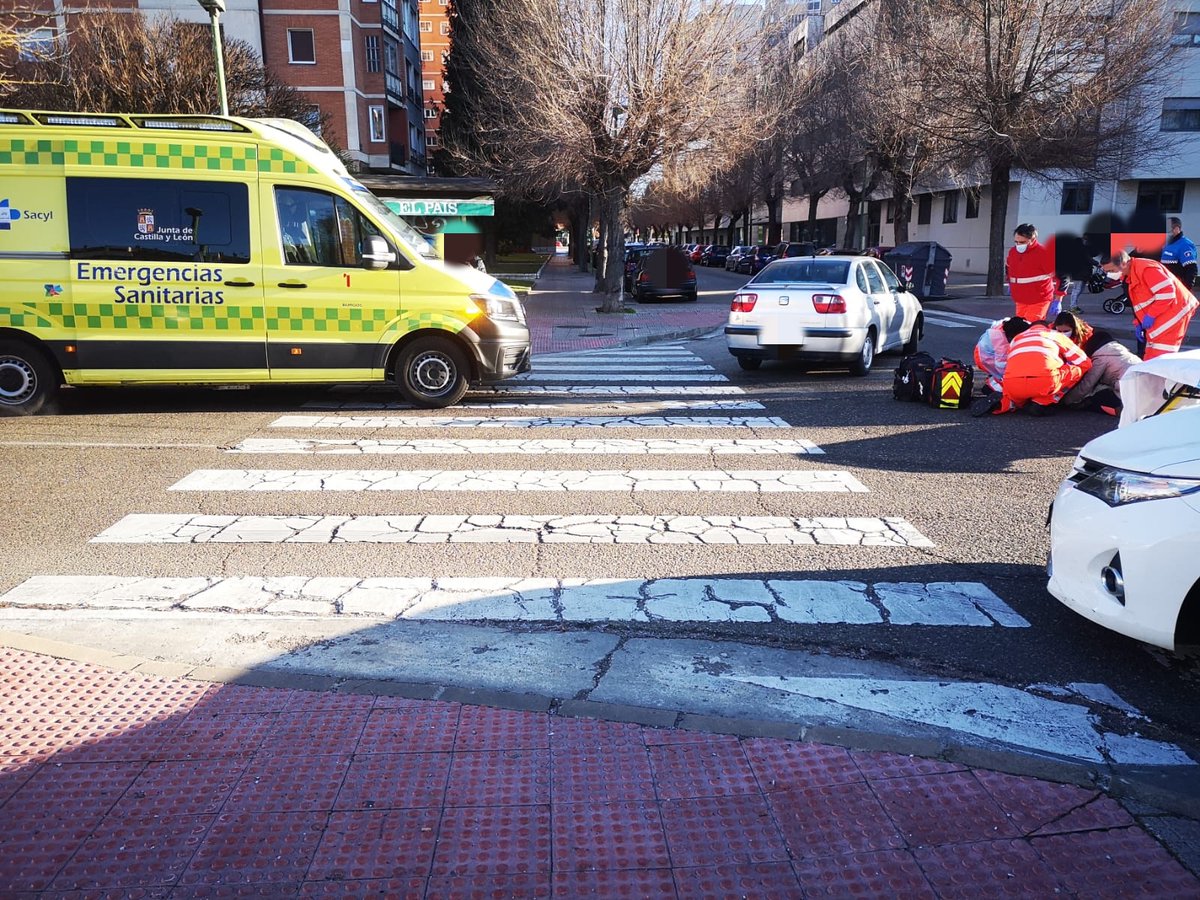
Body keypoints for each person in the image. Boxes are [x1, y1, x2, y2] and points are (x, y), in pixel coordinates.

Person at [972, 317, 1091, 416]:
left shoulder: (1017, 338)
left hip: (1013, 384)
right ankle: (1042, 402)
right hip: (1044, 382)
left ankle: (1005, 403)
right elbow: (1084, 362)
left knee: (1016, 394)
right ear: (1048, 327)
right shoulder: (1054, 335)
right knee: (1076, 369)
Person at [1101, 250, 1198, 360]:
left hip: (1176, 311)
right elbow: (1138, 304)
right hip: (1164, 312)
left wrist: (1151, 315)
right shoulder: (1129, 275)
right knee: (1152, 353)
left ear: (1124, 263)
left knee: (1162, 355)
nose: (1110, 275)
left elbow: (1167, 294)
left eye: (1112, 270)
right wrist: (1138, 322)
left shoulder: (1146, 269)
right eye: (1107, 272)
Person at [1053, 310, 1138, 416]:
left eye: (1065, 331)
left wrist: (1065, 401)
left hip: (1129, 386)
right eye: (1059, 331)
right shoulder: (1116, 349)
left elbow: (1087, 384)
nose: (1062, 334)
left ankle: (1122, 410)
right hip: (1141, 378)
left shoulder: (1099, 358)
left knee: (1093, 398)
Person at [1006, 224, 1056, 322]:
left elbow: (1061, 276)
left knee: (1031, 327)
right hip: (1020, 299)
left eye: (1022, 242)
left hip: (1038, 299)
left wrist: (1059, 298)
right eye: (1016, 242)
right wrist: (1010, 283)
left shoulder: (1043, 253)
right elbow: (1009, 267)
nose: (1018, 245)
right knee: (1020, 328)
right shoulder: (1013, 252)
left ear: (1032, 239)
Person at [973, 316, 1027, 394]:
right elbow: (1002, 368)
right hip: (983, 357)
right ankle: (992, 385)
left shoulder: (1012, 325)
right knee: (1005, 381)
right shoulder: (1000, 341)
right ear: (1009, 336)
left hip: (988, 348)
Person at [1161, 217, 1198, 289]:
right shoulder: (1167, 244)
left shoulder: (1185, 244)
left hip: (1178, 287)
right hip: (1166, 285)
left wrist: (1186, 288)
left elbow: (1191, 268)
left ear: (1177, 228)